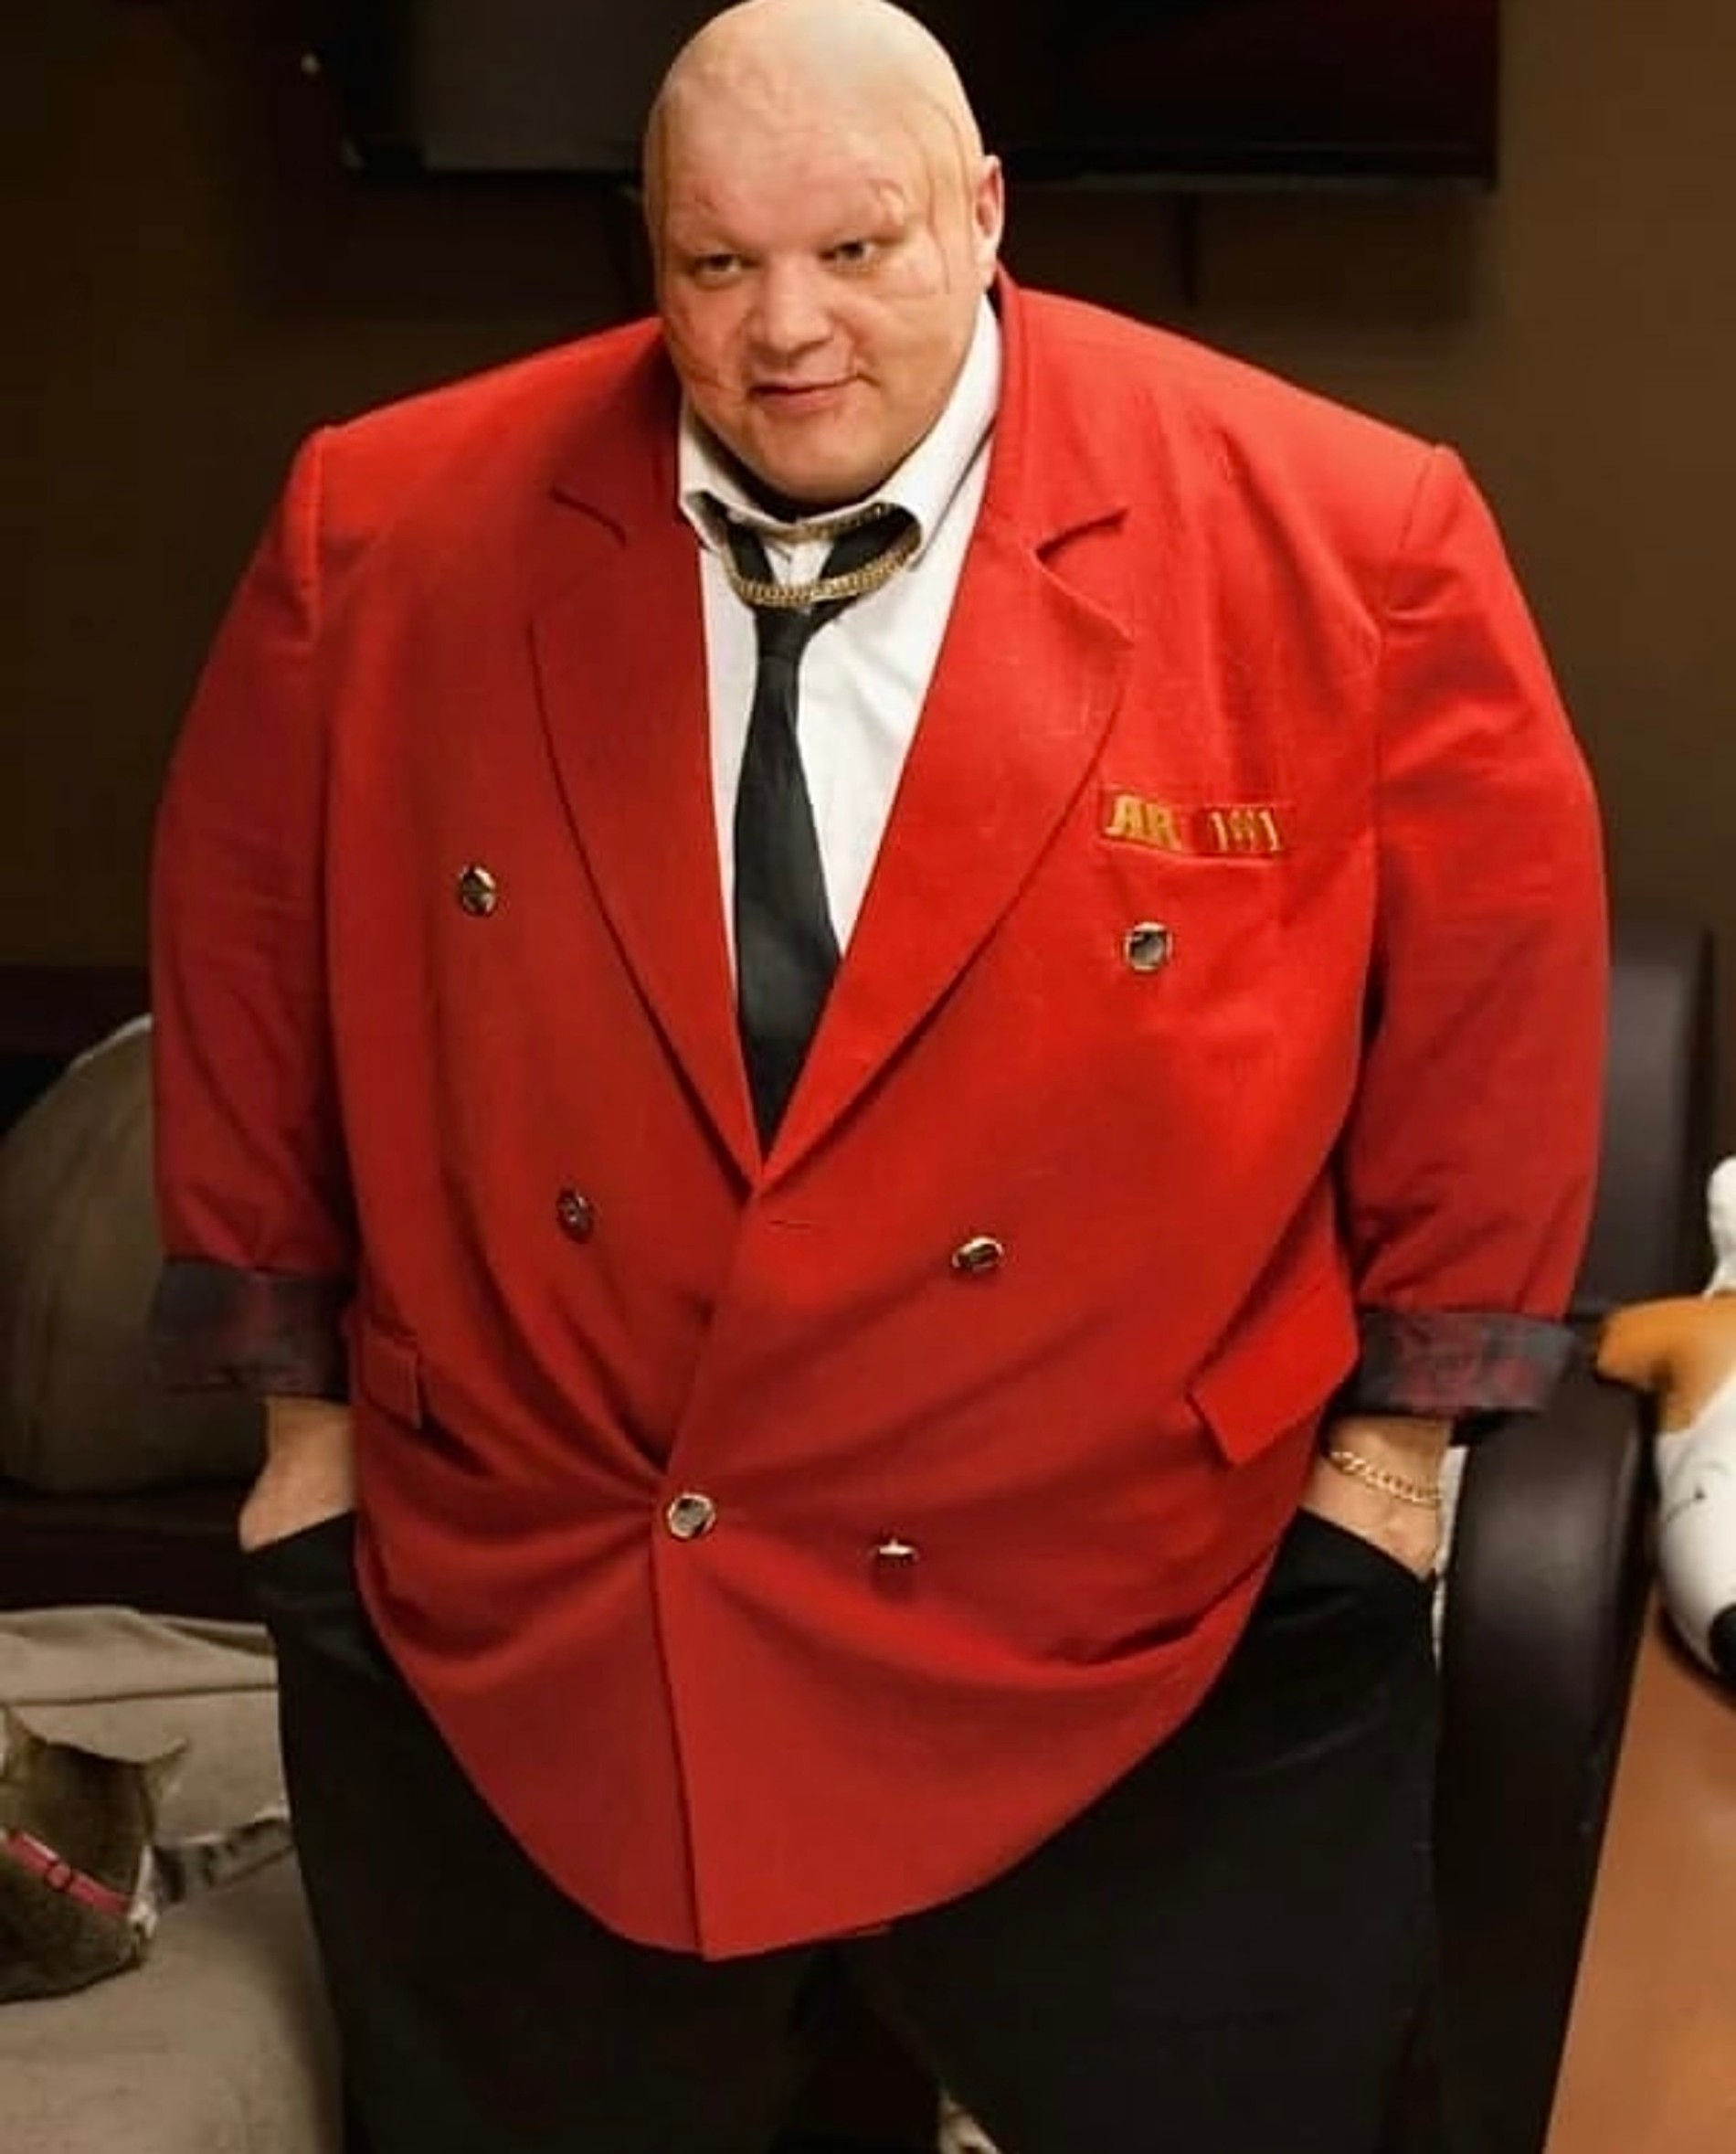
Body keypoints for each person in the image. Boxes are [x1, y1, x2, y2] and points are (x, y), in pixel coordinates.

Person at [147, 3, 1606, 2149]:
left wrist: (1388, 1476)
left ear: (984, 215)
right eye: (714, 264)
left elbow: (1494, 1007)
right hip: (552, 1606)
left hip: (1138, 1611)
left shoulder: (1345, 530)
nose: (784, 333)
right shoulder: (378, 522)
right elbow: (246, 962)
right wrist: (299, 1439)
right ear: (645, 249)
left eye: (856, 250)